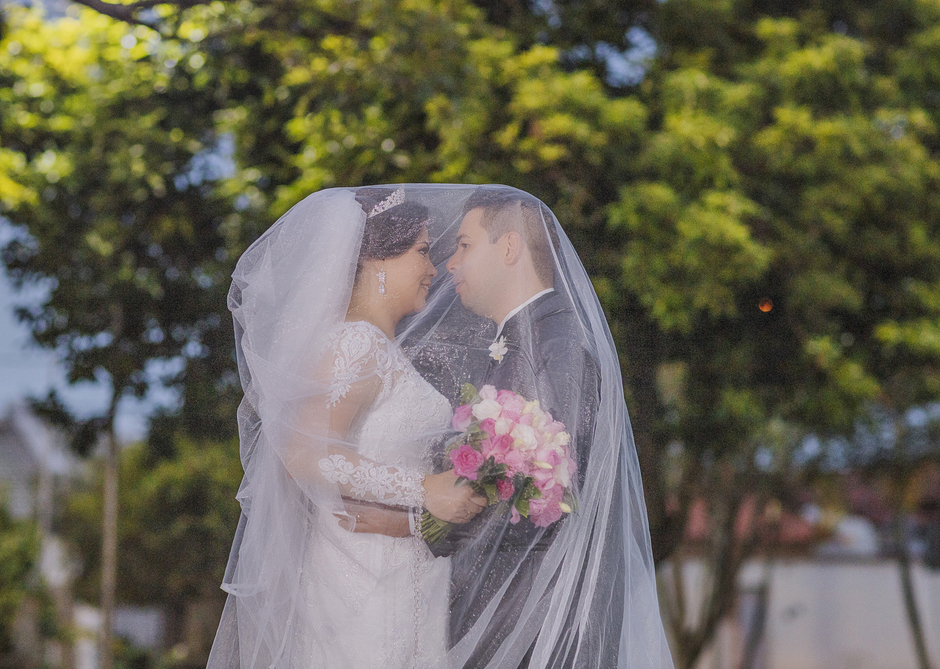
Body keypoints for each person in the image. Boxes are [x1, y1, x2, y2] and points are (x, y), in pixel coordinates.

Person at [346, 186, 674, 668]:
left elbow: (547, 493)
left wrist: (411, 523)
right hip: (499, 610)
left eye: (464, 245)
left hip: (533, 618)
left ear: (509, 248)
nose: (450, 263)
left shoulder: (559, 344)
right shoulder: (523, 341)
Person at [206, 186, 485, 669]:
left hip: (406, 570)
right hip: (360, 576)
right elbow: (304, 454)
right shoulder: (355, 345)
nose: (433, 269)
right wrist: (425, 488)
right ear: (378, 260)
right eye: (422, 251)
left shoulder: (384, 348)